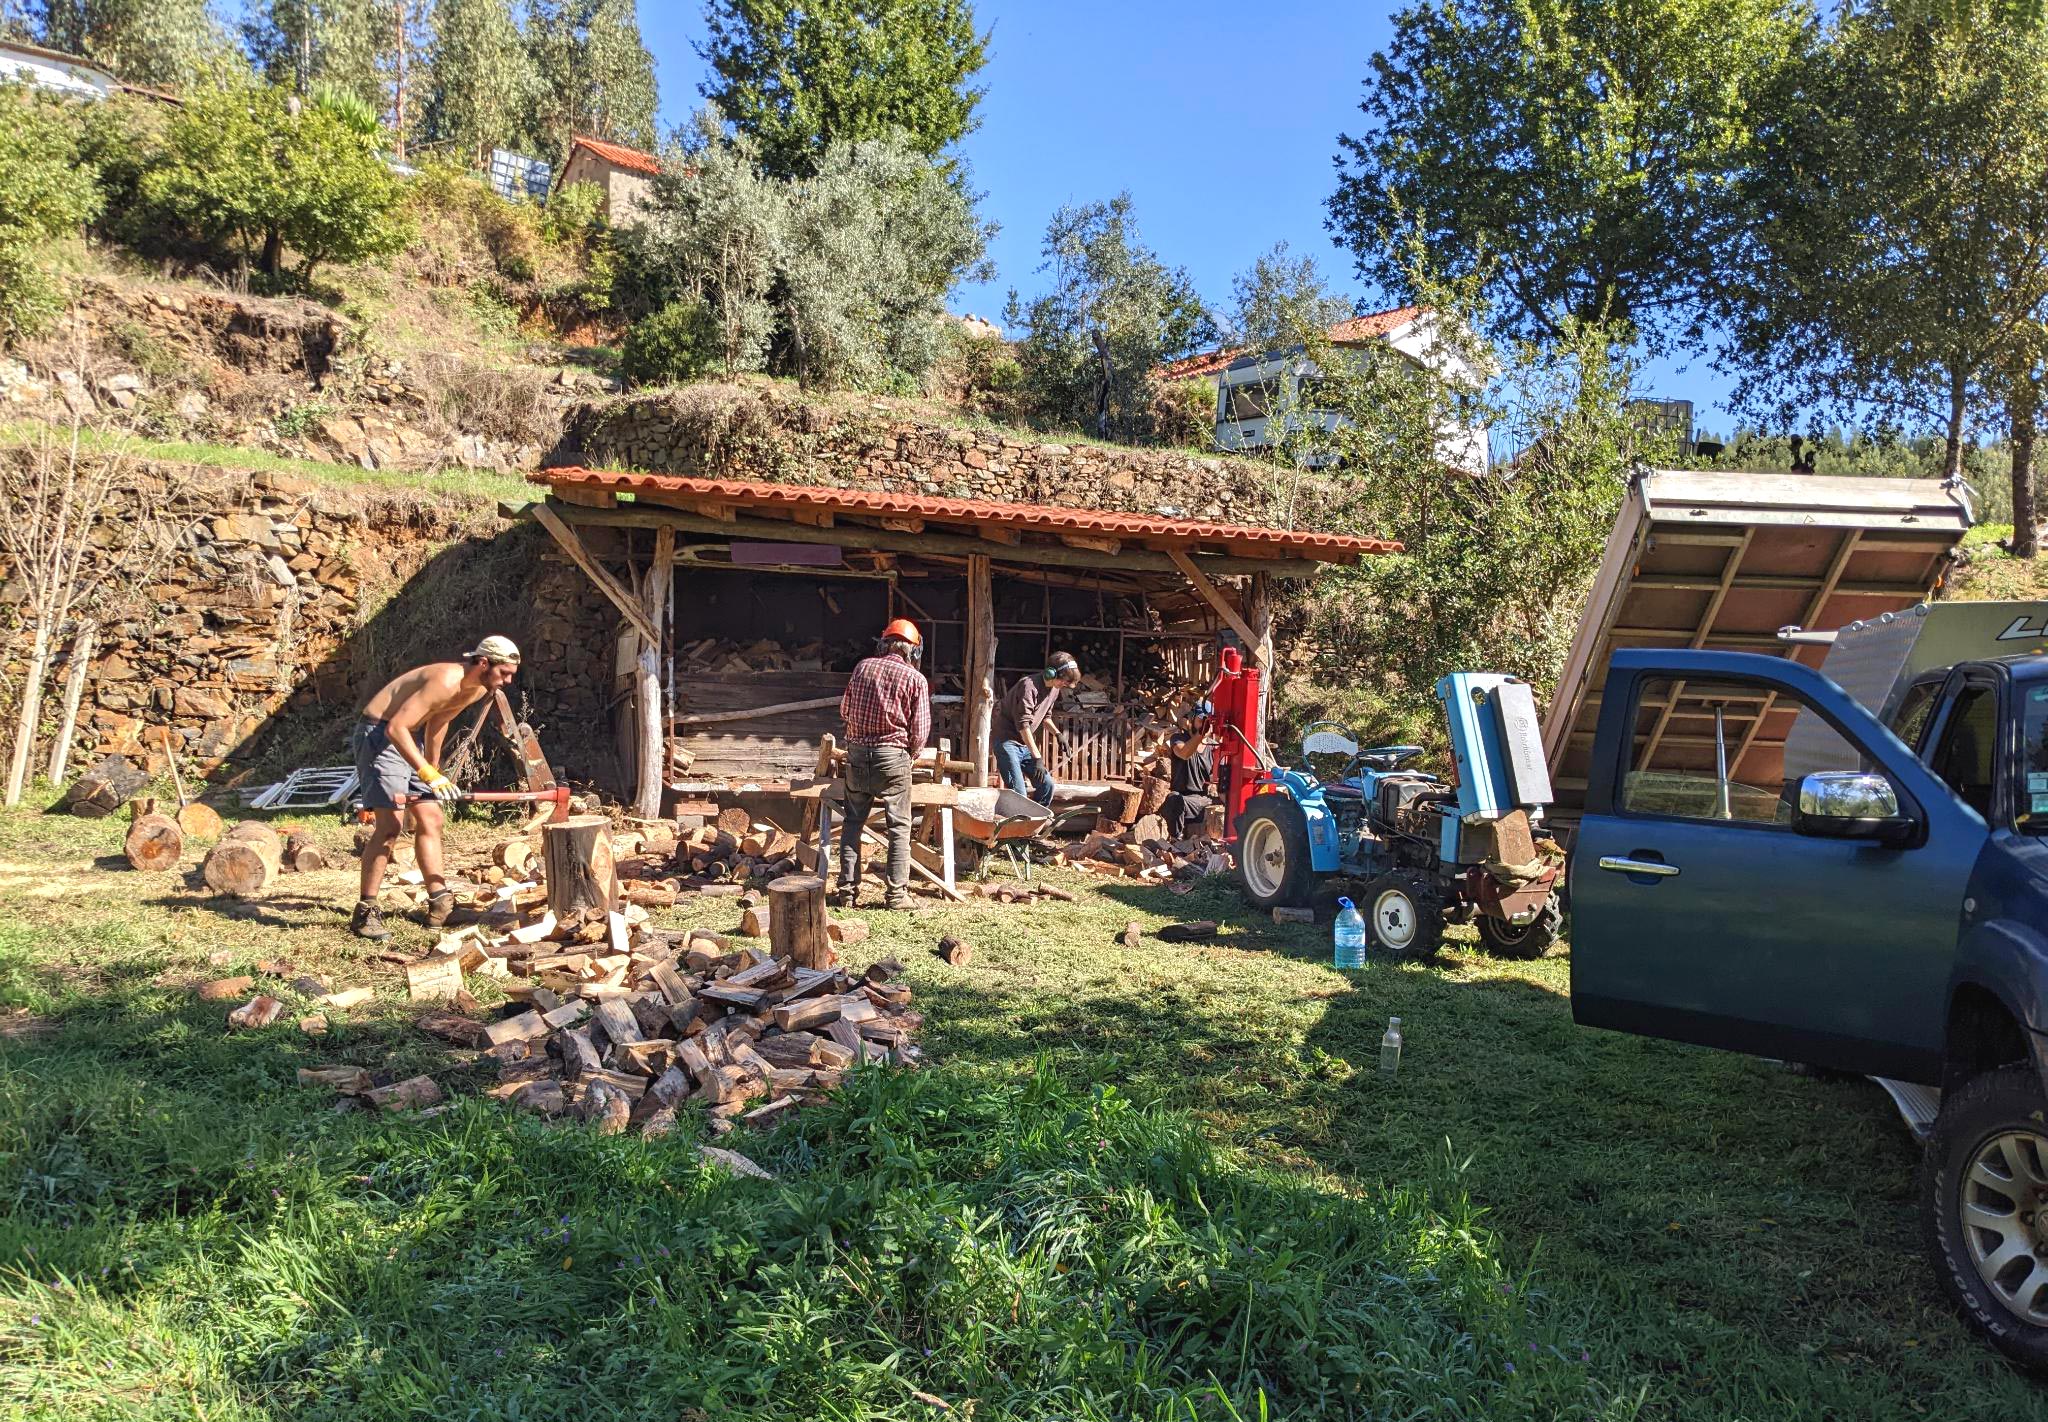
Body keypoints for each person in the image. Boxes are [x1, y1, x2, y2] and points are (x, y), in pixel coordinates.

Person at [348, 636, 522, 940]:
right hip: (379, 733)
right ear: (484, 663)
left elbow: (439, 720)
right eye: (503, 673)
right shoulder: (445, 680)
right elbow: (395, 728)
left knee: (432, 818)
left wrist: (433, 767)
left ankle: (440, 905)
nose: (507, 681)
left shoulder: (479, 688)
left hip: (409, 736)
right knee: (390, 827)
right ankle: (365, 912)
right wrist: (426, 772)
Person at [834, 618, 931, 911]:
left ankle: (847, 893)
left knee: (853, 822)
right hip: (892, 758)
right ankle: (896, 896)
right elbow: (920, 731)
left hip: (857, 755)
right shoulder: (915, 679)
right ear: (914, 650)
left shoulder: (862, 668)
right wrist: (911, 755)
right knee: (899, 827)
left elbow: (845, 711)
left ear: (884, 644)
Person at [993, 652, 1082, 807]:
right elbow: (1023, 725)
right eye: (1063, 681)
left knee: (1047, 786)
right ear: (1051, 673)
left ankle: (1037, 818)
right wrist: (1038, 758)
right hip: (1007, 742)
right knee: (1019, 793)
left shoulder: (1054, 689)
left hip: (1024, 744)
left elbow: (1046, 717)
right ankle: (1018, 820)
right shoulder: (1029, 687)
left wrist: (1058, 734)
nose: (1064, 685)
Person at [1160, 698, 1217, 839]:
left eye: (1208, 722)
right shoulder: (1178, 738)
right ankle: (1176, 841)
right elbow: (1184, 753)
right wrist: (1200, 735)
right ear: (1192, 719)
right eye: (1201, 721)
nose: (1204, 725)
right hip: (1182, 797)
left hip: (1203, 800)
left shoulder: (1213, 747)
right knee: (1173, 800)